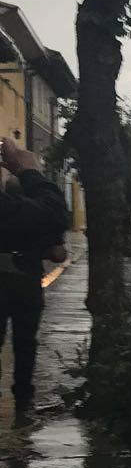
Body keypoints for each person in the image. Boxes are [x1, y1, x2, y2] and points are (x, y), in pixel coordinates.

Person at [0, 139, 71, 423]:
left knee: (22, 341)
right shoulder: (23, 209)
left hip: (22, 279)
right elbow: (54, 215)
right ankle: (23, 402)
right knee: (25, 343)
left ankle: (23, 400)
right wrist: (30, 170)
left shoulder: (15, 208)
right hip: (24, 279)